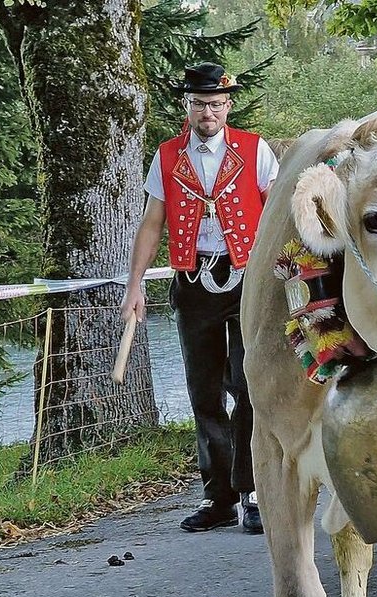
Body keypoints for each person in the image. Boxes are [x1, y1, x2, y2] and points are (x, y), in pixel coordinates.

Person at [120, 63, 279, 533]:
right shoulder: (167, 156)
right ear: (186, 107)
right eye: (198, 103)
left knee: (247, 387)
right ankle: (220, 498)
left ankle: (253, 493)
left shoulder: (254, 149)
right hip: (193, 280)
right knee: (204, 391)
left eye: (214, 103)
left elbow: (274, 214)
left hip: (248, 276)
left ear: (227, 105)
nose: (206, 111)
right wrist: (135, 286)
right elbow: (152, 223)